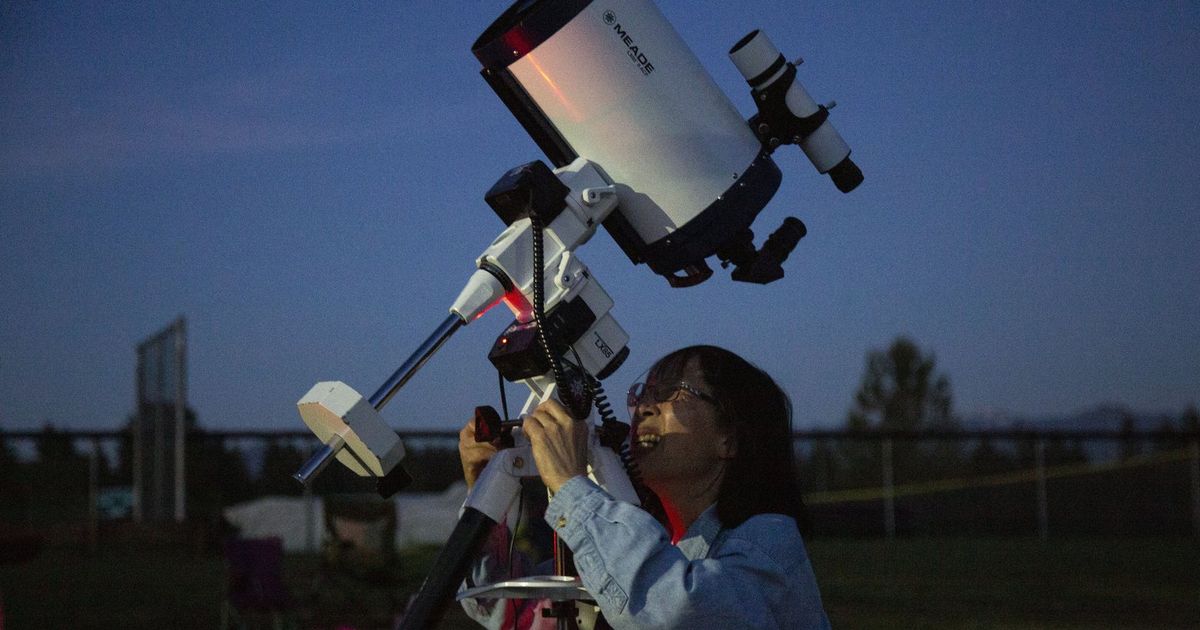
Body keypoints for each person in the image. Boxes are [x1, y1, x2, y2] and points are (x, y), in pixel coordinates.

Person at [458, 345, 831, 629]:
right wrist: (483, 483)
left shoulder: (769, 540)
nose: (644, 408)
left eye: (673, 392)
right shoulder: (651, 540)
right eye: (643, 394)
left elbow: (678, 611)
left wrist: (571, 486)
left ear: (730, 439)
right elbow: (508, 609)